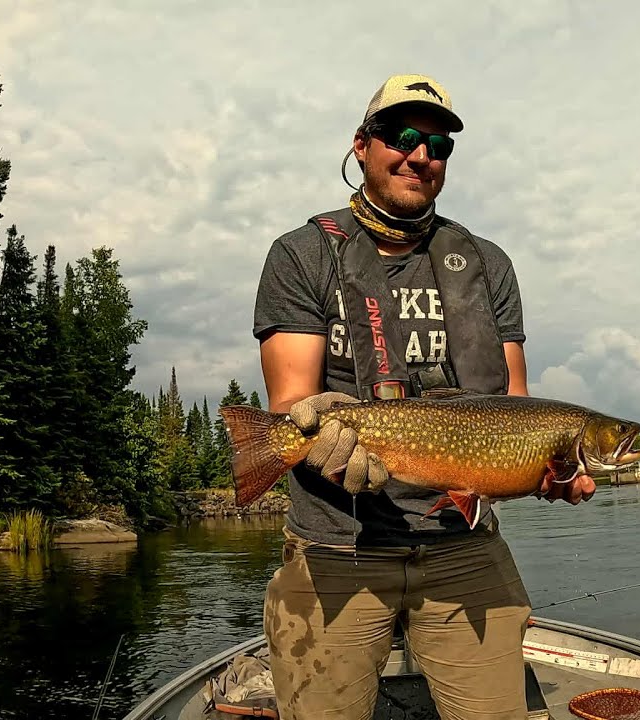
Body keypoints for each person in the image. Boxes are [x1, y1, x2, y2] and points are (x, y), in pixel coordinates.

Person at [250, 73, 596, 720]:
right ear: (361, 145)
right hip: (338, 545)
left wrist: (543, 472)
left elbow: (514, 405)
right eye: (402, 137)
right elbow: (288, 401)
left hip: (462, 546)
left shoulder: (487, 263)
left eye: (438, 147)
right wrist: (310, 425)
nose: (420, 156)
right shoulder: (301, 256)